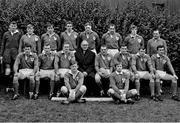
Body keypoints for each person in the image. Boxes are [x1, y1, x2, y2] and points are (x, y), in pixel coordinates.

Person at [0, 21, 22, 91]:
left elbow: (20, 45)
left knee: (14, 69)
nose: (13, 27)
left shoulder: (19, 34)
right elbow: (3, 44)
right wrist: (1, 55)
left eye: (14, 26)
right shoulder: (6, 34)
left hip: (15, 53)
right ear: (9, 26)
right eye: (12, 26)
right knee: (7, 69)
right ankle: (7, 86)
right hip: (7, 52)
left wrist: (20, 54)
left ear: (16, 27)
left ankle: (13, 86)